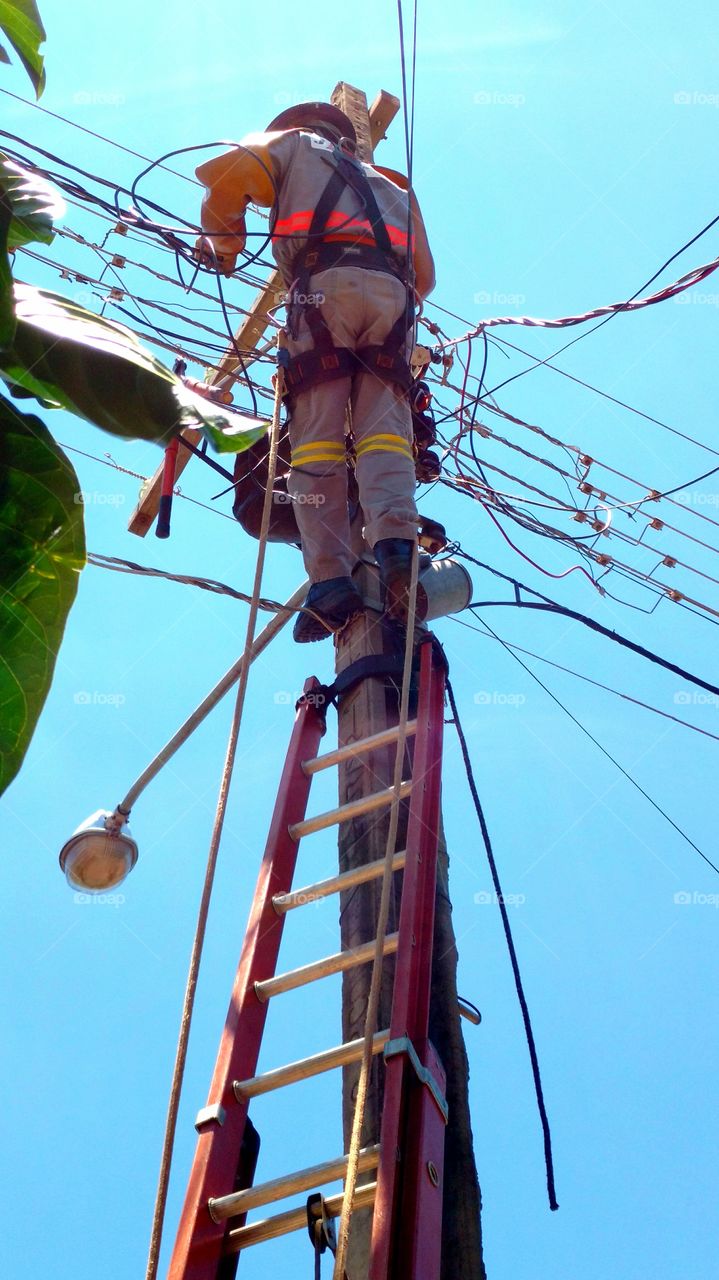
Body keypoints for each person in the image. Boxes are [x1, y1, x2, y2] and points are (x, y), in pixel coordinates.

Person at [194, 101, 436, 641]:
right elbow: (425, 277)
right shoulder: (395, 190)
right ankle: (396, 545)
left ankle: (329, 580)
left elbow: (227, 173)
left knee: (316, 444)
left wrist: (224, 245)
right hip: (394, 307)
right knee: (385, 438)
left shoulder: (293, 145)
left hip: (323, 290)